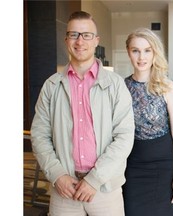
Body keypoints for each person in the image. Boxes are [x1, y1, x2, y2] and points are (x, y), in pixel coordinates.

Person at [30, 11, 135, 216]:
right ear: (66, 39)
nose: (80, 41)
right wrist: (57, 175)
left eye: (86, 35)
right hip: (64, 189)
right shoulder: (51, 85)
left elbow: (124, 137)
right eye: (74, 34)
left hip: (104, 189)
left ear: (96, 41)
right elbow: (39, 135)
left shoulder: (116, 85)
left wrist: (94, 179)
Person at [122, 27, 173, 216]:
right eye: (136, 50)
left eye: (147, 50)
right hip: (132, 167)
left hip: (164, 168)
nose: (141, 57)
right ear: (128, 52)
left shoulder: (167, 86)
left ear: (154, 52)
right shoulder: (121, 87)